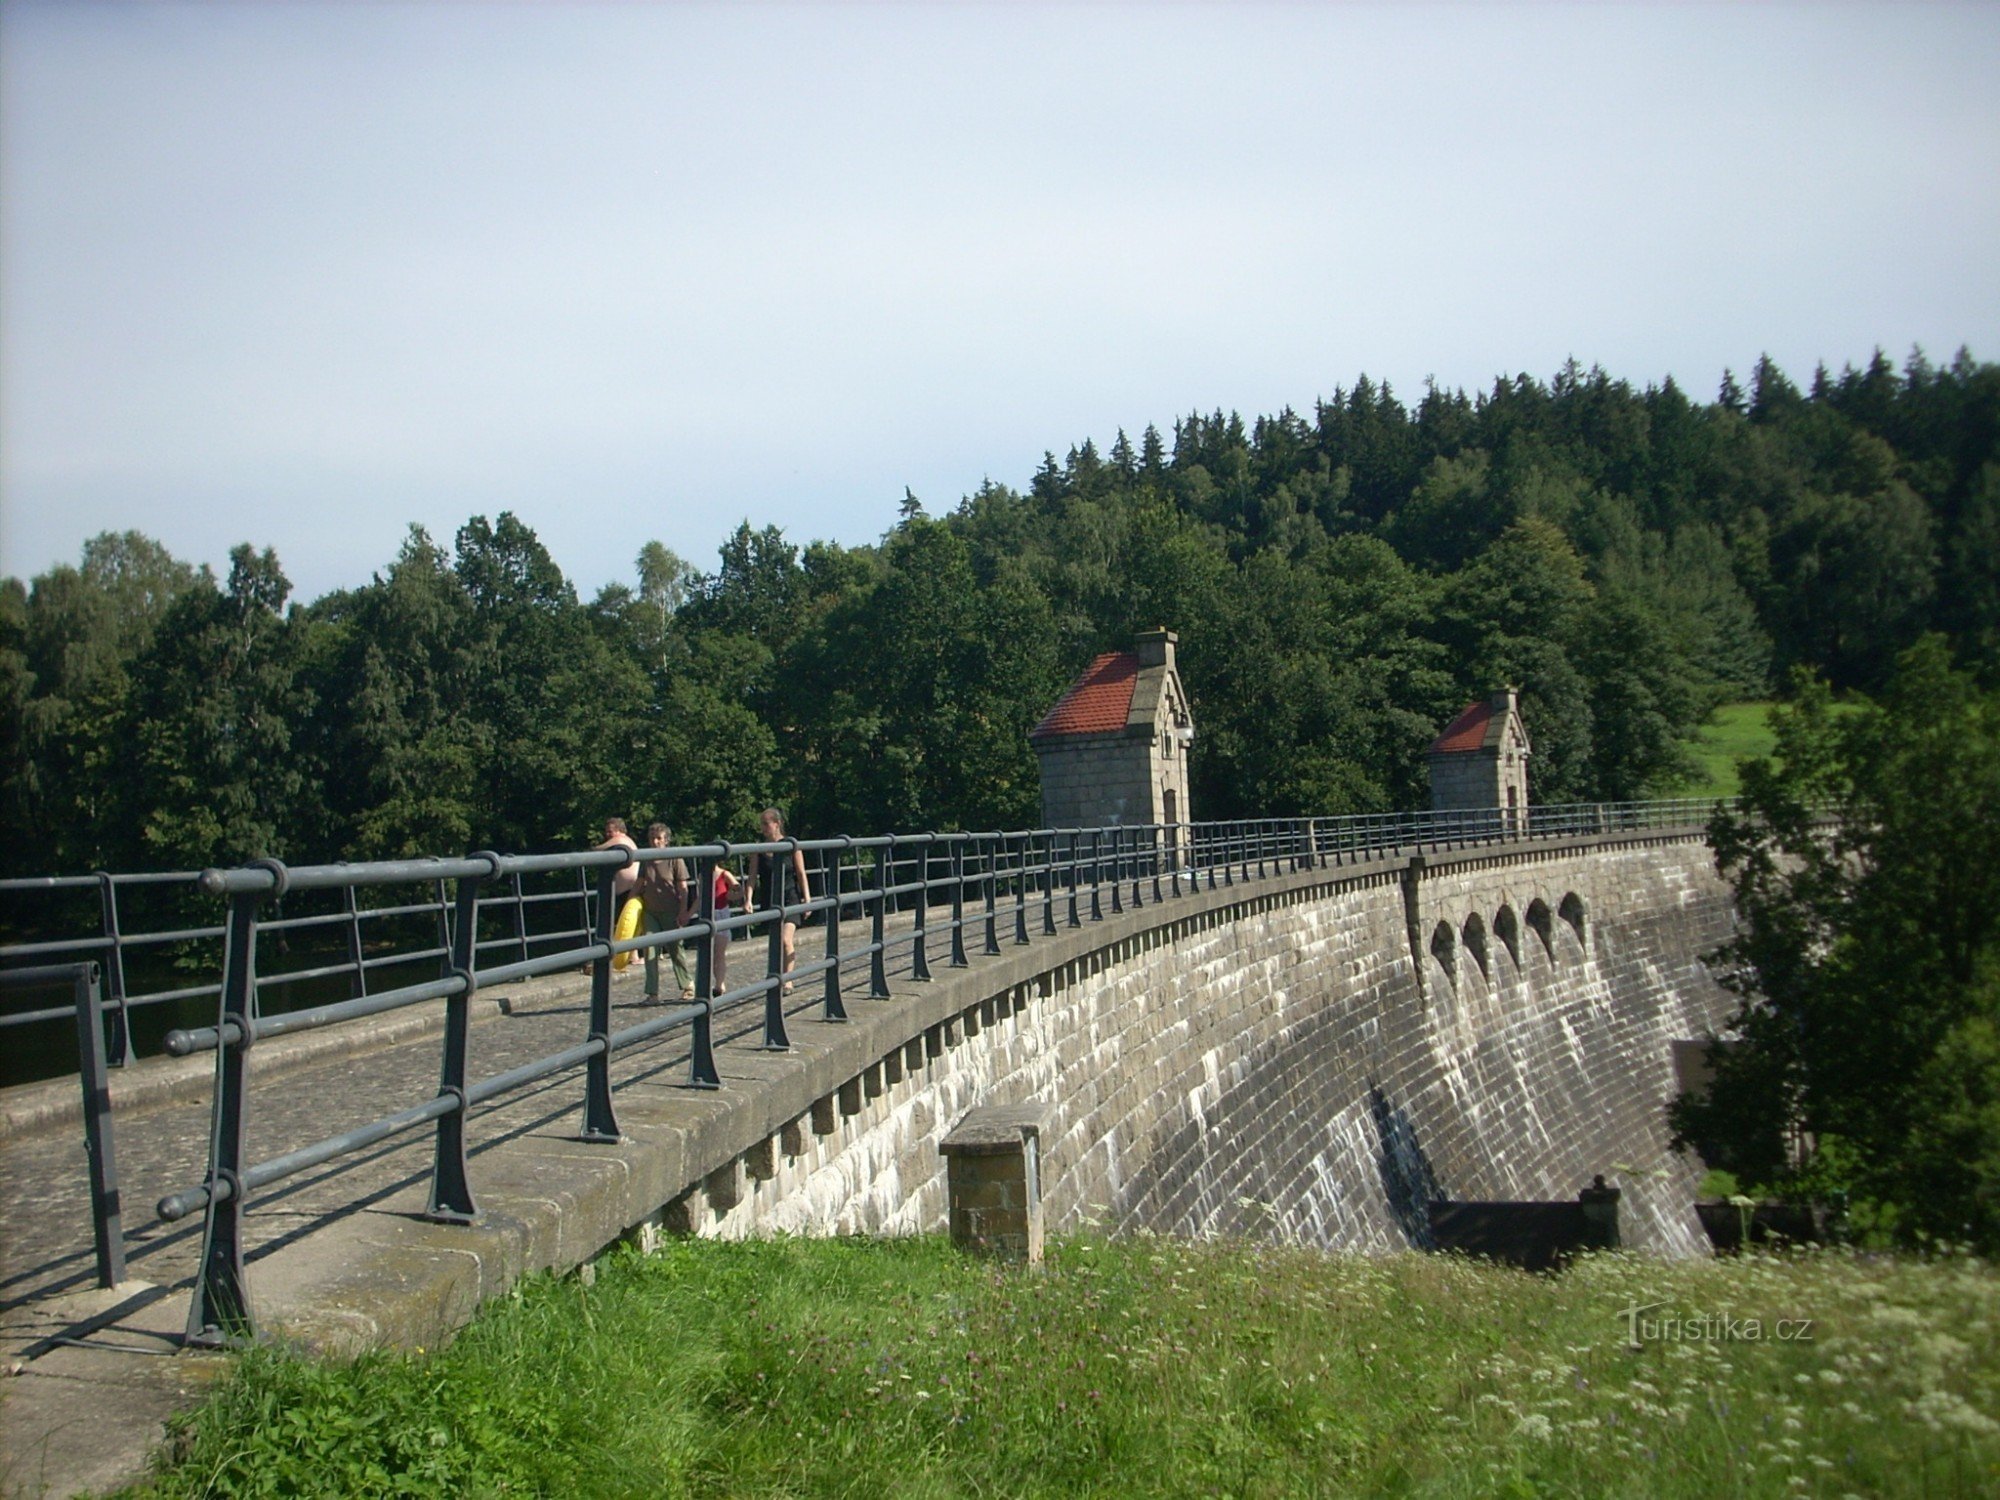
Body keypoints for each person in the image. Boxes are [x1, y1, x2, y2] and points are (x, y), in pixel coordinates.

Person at [746, 807, 811, 995]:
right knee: (775, 941)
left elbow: (801, 873)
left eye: (766, 823)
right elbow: (752, 877)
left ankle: (788, 980)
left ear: (777, 823)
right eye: (762, 824)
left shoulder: (791, 845)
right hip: (770, 900)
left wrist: (807, 898)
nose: (763, 827)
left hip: (790, 897)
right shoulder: (758, 850)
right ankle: (776, 976)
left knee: (785, 939)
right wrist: (748, 898)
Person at [634, 823, 693, 1001]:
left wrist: (683, 912)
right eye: (652, 838)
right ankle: (653, 993)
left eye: (659, 838)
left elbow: (683, 888)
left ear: (666, 840)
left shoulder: (675, 859)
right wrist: (629, 903)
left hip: (671, 910)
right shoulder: (646, 859)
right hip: (650, 911)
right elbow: (639, 883)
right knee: (649, 951)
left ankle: (688, 985)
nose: (655, 842)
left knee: (676, 950)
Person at [592, 816, 639, 934]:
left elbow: (598, 850)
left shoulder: (620, 840)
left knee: (621, 928)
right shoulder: (629, 841)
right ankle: (633, 953)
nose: (607, 834)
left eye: (610, 831)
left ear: (619, 831)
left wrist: (590, 849)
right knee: (629, 929)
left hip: (626, 892)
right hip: (628, 891)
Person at [709, 858, 742, 994]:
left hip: (721, 912)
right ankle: (717, 982)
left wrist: (731, 895)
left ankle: (719, 984)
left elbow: (738, 890)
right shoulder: (702, 876)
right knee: (710, 953)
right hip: (707, 913)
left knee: (719, 953)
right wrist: (688, 914)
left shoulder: (724, 874)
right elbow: (700, 898)